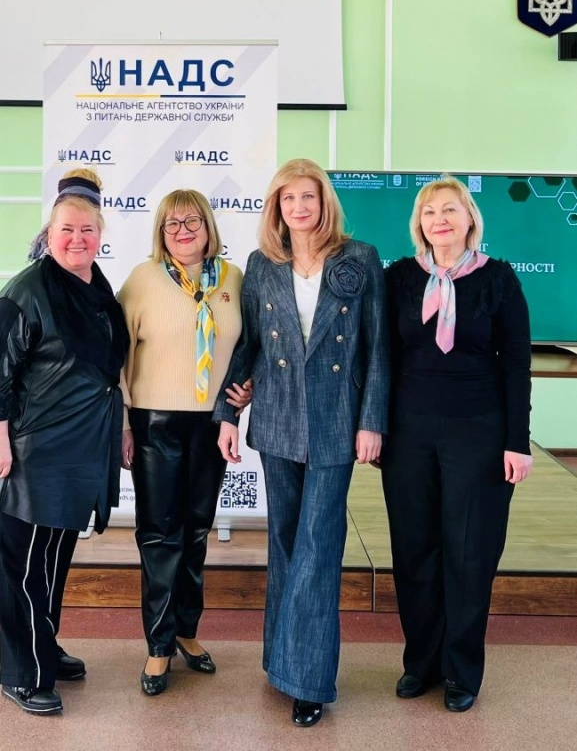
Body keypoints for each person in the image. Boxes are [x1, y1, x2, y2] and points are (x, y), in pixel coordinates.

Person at [214, 158, 389, 727]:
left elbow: (377, 347)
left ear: (324, 202)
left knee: (318, 545)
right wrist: (228, 412)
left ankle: (309, 680)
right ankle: (281, 662)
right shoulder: (262, 264)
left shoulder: (359, 258)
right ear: (277, 207)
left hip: (337, 422)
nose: (299, 207)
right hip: (277, 420)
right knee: (286, 542)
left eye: (308, 197)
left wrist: (372, 421)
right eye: (288, 199)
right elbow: (250, 345)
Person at [382, 176, 533, 712]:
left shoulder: (498, 279)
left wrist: (518, 441)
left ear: (470, 218)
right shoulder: (400, 278)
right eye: (429, 211)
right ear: (419, 224)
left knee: (470, 553)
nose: (439, 219)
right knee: (414, 550)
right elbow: (381, 359)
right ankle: (421, 662)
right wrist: (374, 427)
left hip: (480, 433)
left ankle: (461, 671)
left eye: (450, 209)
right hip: (409, 434)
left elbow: (516, 365)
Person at [0, 169, 129, 715]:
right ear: (48, 235)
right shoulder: (26, 290)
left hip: (79, 449)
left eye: (87, 230)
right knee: (21, 564)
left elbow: (106, 371)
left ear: (100, 234)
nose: (77, 239)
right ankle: (22, 671)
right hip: (35, 450)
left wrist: (122, 429)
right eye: (67, 230)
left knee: (52, 559)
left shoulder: (97, 287)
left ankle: (43, 646)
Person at [118, 189, 249, 697]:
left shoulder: (233, 279)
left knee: (196, 532)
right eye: (172, 224)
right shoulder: (143, 279)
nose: (182, 231)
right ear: (160, 232)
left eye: (192, 221)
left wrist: (244, 390)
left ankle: (187, 631)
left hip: (212, 423)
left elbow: (248, 347)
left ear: (208, 226)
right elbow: (118, 356)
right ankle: (158, 645)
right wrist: (125, 423)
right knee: (159, 534)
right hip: (155, 421)